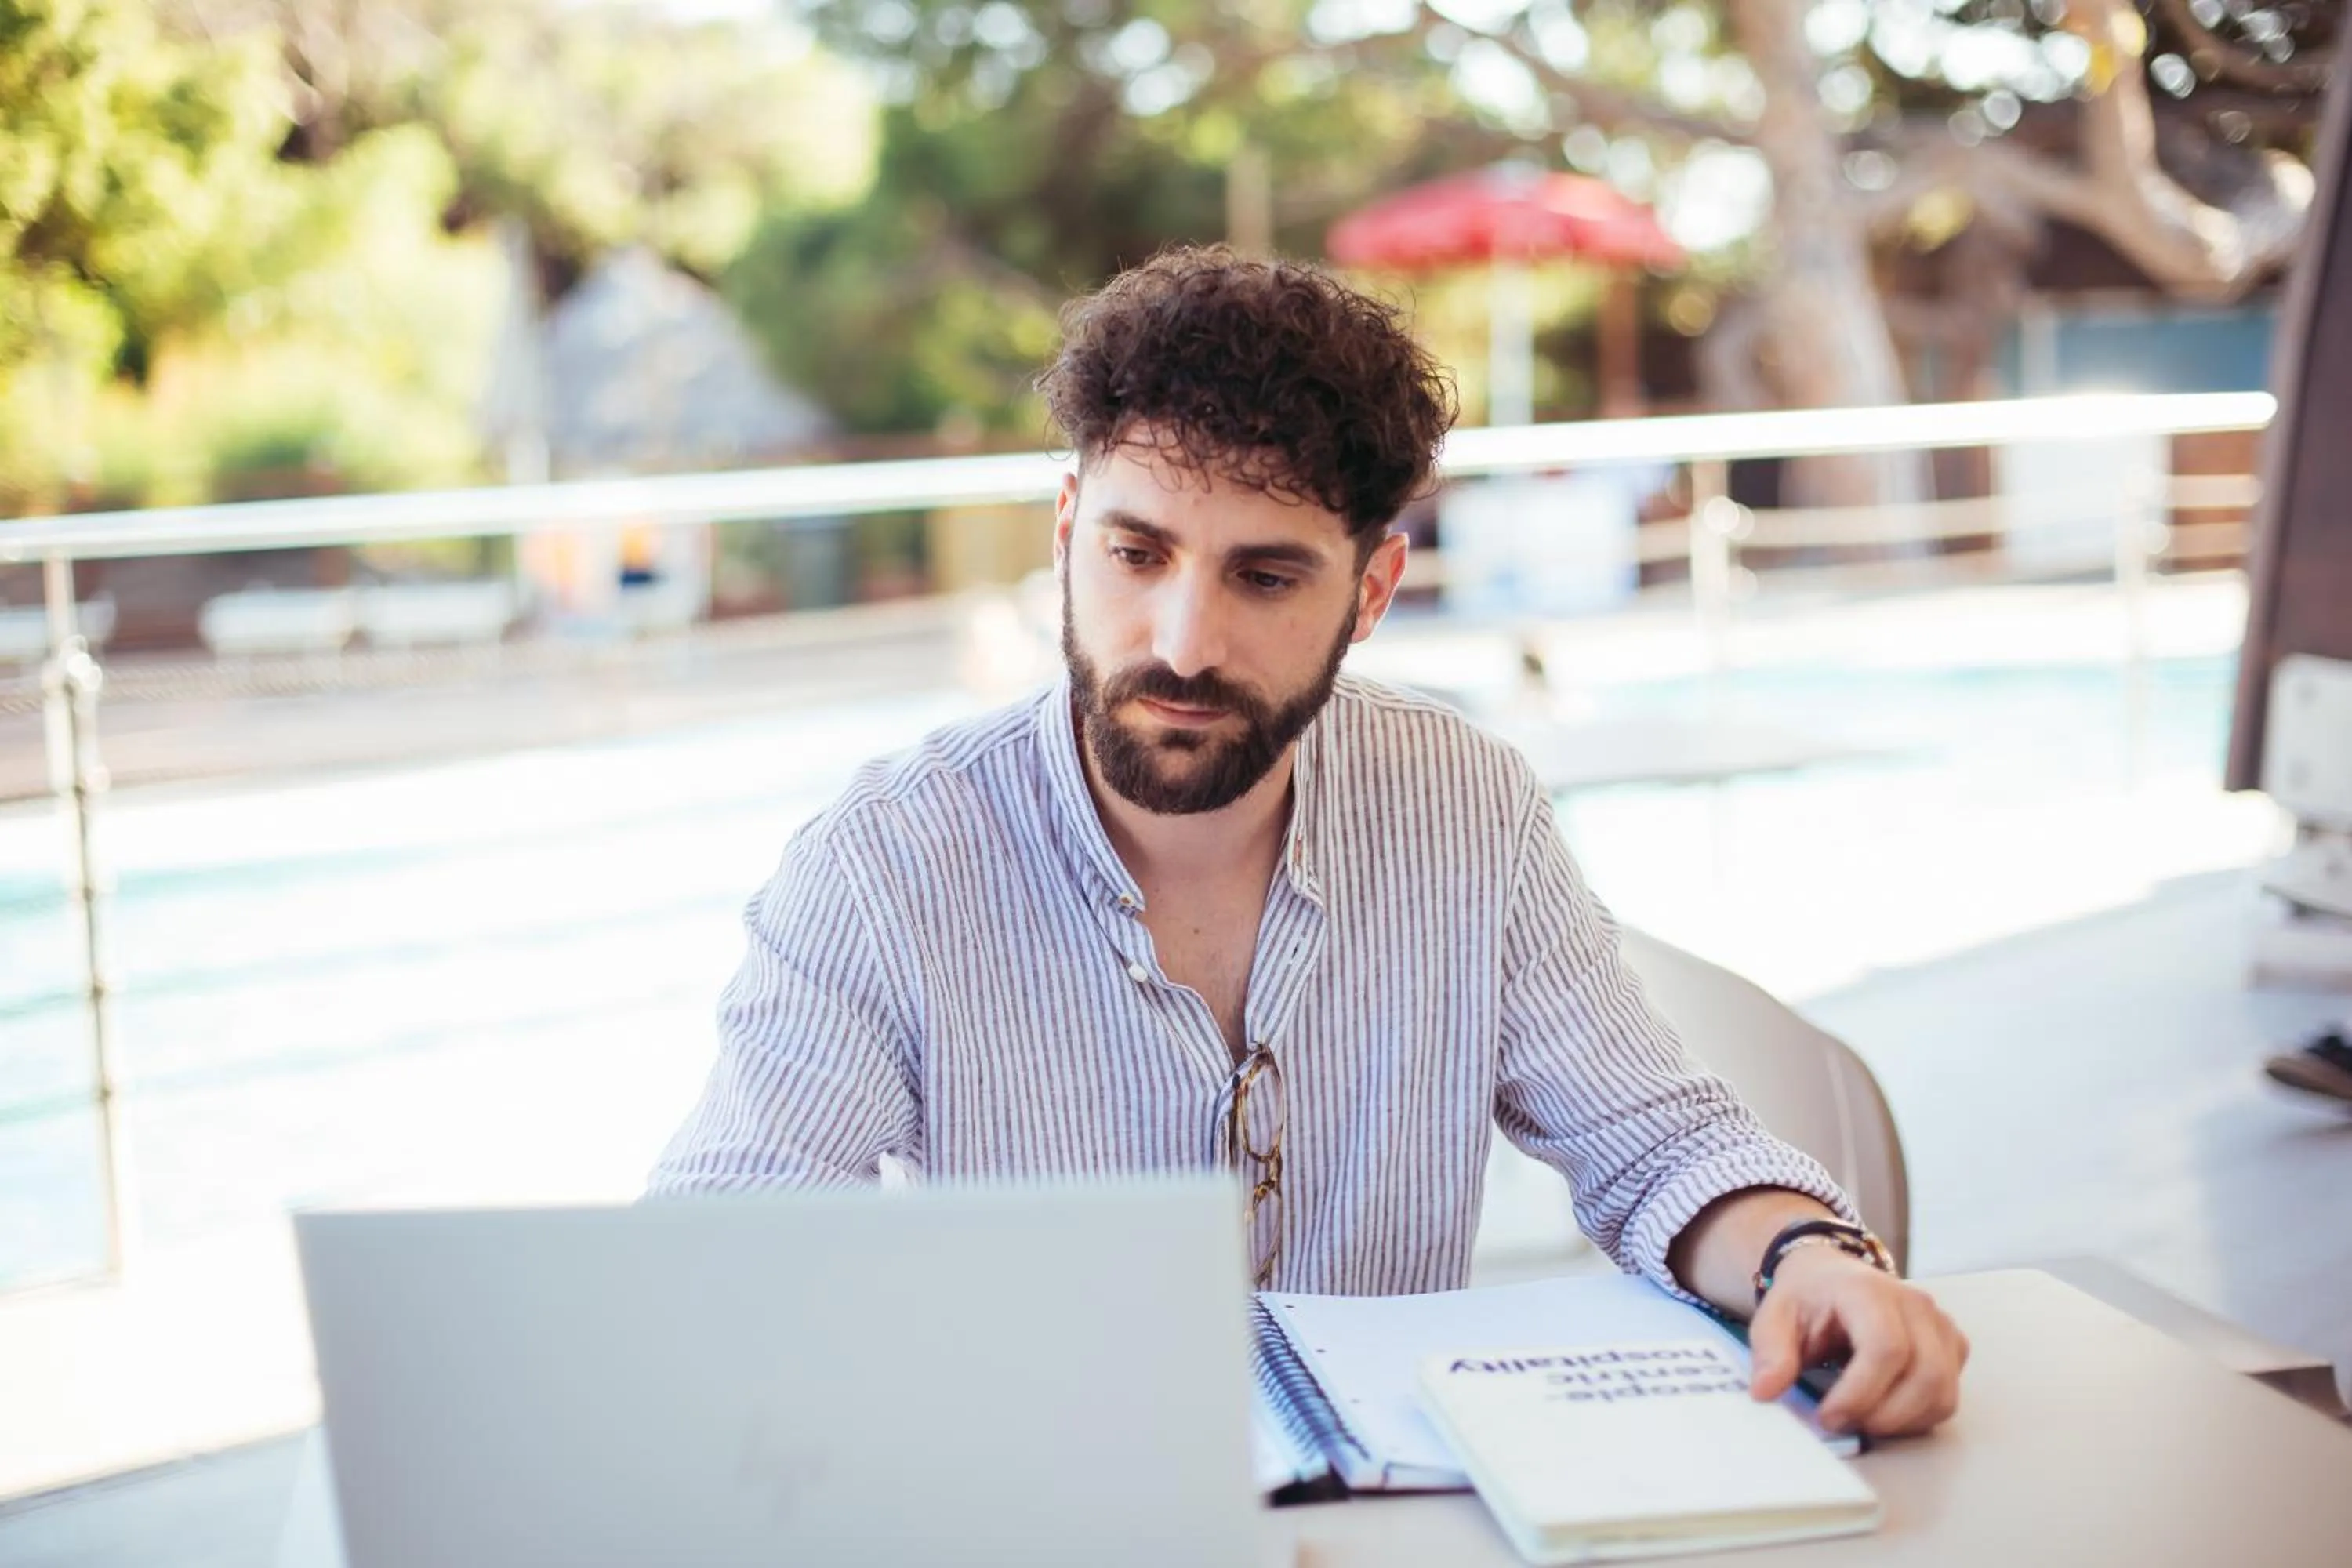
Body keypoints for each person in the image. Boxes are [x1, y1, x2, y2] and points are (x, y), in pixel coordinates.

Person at [649, 247, 1966, 1438]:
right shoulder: (885, 864)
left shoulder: (1464, 809)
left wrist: (1815, 1262)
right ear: (1066, 535)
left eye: (1265, 577)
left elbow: (1657, 1145)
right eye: (1135, 553)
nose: (1181, 642)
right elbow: (717, 1257)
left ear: (1373, 591)